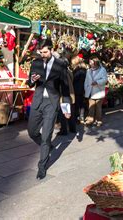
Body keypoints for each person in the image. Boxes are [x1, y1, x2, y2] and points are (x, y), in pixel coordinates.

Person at [27, 39, 71, 180]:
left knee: (46, 136)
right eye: (41, 52)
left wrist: (66, 108)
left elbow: (65, 88)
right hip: (38, 101)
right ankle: (48, 146)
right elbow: (29, 83)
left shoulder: (60, 65)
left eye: (45, 52)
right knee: (32, 132)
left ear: (51, 50)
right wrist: (33, 80)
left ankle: (42, 167)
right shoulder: (36, 63)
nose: (43, 55)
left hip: (51, 104)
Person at [84, 57, 108, 127]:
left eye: (91, 62)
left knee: (98, 107)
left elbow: (105, 79)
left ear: (95, 62)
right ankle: (90, 120)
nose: (90, 63)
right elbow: (86, 80)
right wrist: (86, 88)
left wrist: (97, 82)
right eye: (89, 62)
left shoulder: (102, 70)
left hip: (98, 91)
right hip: (90, 91)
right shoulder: (88, 70)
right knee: (91, 106)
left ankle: (99, 120)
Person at [71, 55, 87, 124]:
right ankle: (82, 117)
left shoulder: (78, 70)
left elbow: (74, 79)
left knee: (77, 104)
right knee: (82, 104)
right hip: (83, 88)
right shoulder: (84, 69)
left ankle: (77, 118)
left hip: (77, 89)